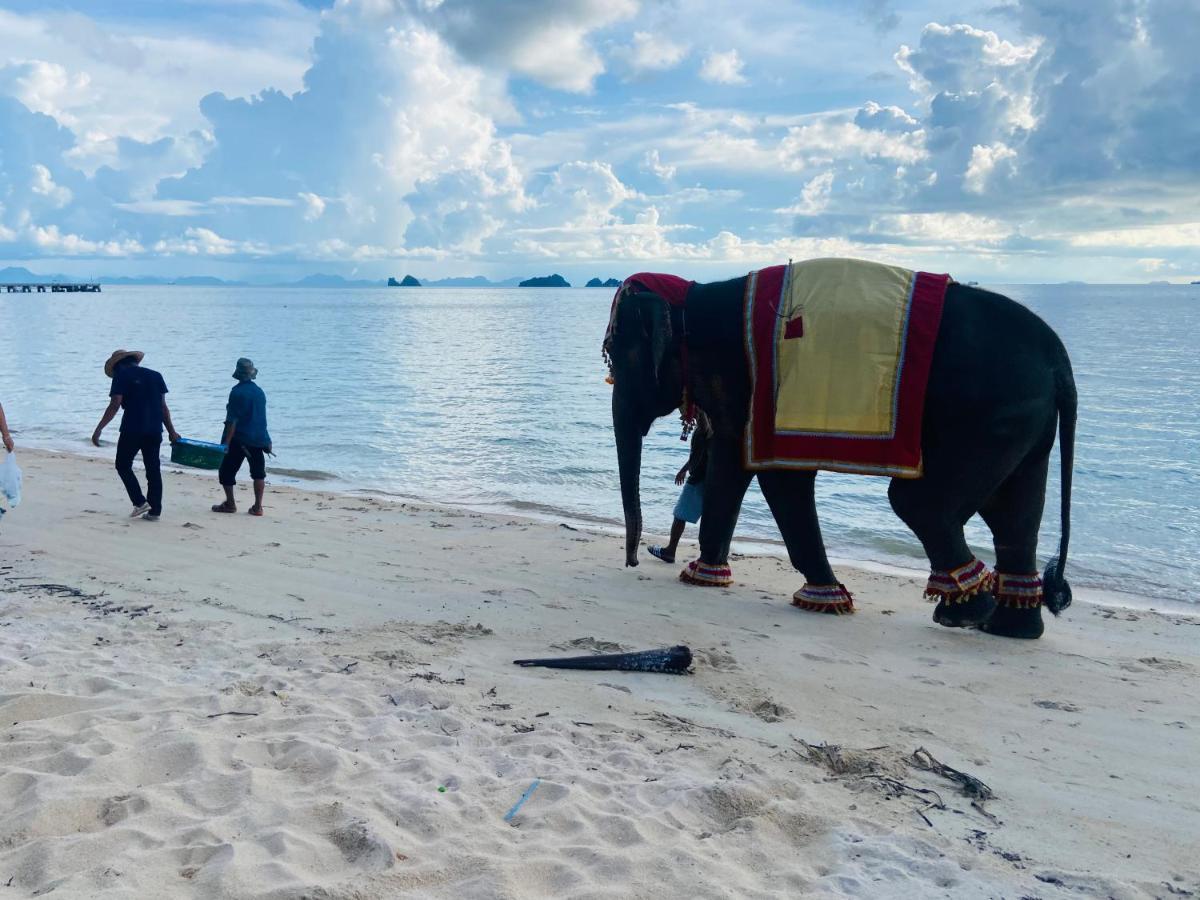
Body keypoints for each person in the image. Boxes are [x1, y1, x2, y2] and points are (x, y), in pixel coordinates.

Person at [92, 350, 180, 521]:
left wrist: (99, 428)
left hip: (132, 428)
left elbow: (115, 404)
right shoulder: (156, 375)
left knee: (123, 465)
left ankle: (140, 502)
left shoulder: (121, 375)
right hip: (155, 429)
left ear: (117, 365)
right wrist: (171, 431)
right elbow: (163, 408)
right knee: (153, 470)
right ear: (134, 361)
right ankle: (155, 512)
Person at [212, 358, 272, 517]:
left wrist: (226, 443)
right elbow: (261, 419)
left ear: (238, 374)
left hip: (240, 440)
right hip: (258, 439)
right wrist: (267, 439)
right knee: (258, 473)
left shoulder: (237, 392)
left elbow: (232, 421)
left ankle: (230, 504)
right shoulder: (259, 392)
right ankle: (258, 507)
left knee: (226, 472)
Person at [648, 412, 711, 564]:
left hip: (698, 479)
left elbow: (704, 425)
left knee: (680, 515)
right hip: (705, 477)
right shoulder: (709, 428)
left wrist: (696, 400)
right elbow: (696, 454)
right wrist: (684, 469)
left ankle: (670, 550)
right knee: (706, 518)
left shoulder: (706, 427)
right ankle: (707, 554)